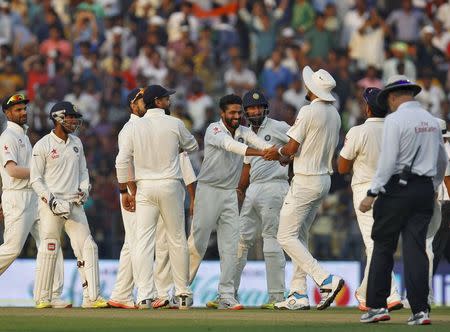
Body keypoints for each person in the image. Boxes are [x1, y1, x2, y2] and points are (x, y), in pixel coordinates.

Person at [358, 75, 447, 325]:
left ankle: (377, 306)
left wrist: (372, 193)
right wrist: (432, 185)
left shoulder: (395, 120)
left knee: (383, 246)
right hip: (424, 190)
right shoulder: (431, 121)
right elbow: (441, 160)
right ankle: (420, 311)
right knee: (416, 249)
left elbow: (387, 161)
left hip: (396, 188)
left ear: (394, 97)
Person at [264, 66, 344, 310]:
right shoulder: (335, 114)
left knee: (284, 236)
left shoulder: (308, 111)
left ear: (312, 89)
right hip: (323, 180)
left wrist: (275, 152)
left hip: (306, 179)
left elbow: (290, 149)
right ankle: (298, 294)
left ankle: (325, 279)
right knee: (299, 235)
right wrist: (287, 154)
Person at [115, 85, 198, 309]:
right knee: (177, 238)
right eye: (166, 98)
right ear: (158, 102)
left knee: (142, 242)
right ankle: (182, 293)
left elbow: (121, 161)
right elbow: (192, 145)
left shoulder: (134, 127)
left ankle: (144, 295)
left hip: (144, 187)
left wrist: (126, 190)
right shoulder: (175, 123)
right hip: (170, 184)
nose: (169, 101)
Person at [187, 94, 271, 310]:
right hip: (208, 190)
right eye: (232, 113)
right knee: (198, 243)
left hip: (229, 193)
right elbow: (232, 146)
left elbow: (258, 142)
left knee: (232, 246)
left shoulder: (244, 131)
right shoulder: (213, 130)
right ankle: (179, 289)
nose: (236, 117)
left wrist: (275, 151)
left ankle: (226, 295)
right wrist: (263, 153)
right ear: (222, 113)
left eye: (239, 113)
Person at [30, 101, 108, 309]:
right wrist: (52, 201)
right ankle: (44, 298)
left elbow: (83, 171)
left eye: (75, 117)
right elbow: (35, 180)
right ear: (58, 118)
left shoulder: (77, 142)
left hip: (74, 204)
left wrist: (84, 190)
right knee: (49, 247)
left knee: (88, 246)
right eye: (70, 117)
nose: (74, 121)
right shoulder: (43, 145)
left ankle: (91, 297)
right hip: (51, 205)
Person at [0, 93, 69, 309]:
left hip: (34, 197)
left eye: (24, 109)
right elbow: (11, 171)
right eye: (17, 110)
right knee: (12, 248)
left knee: (51, 243)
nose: (23, 113)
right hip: (18, 198)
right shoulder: (8, 137)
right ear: (7, 113)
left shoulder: (23, 135)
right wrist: (40, 172)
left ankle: (49, 295)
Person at [337, 88, 402, 311]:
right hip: (393, 191)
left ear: (367, 108)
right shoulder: (397, 131)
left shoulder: (358, 131)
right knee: (378, 244)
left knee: (375, 244)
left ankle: (391, 294)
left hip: (366, 192)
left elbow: (342, 166)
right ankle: (364, 294)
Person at [233, 90, 290, 309]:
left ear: (265, 108)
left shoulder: (279, 126)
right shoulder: (246, 133)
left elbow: (298, 148)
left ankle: (277, 297)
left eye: (258, 107)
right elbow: (247, 164)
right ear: (246, 112)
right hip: (253, 190)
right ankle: (228, 294)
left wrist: (286, 158)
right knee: (239, 241)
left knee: (271, 240)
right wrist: (240, 189)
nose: (255, 111)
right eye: (251, 108)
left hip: (275, 187)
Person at [108, 88, 146, 309]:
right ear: (132, 106)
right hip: (135, 191)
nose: (145, 103)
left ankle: (121, 293)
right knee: (138, 242)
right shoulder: (129, 128)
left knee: (131, 243)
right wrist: (129, 191)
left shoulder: (145, 125)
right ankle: (143, 293)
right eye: (141, 101)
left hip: (142, 189)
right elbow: (123, 164)